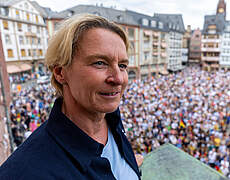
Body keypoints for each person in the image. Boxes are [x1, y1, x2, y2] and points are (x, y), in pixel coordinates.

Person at [0, 14, 141, 180]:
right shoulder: (23, 173)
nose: (118, 79)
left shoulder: (113, 122)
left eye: (122, 65)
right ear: (60, 72)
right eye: (100, 63)